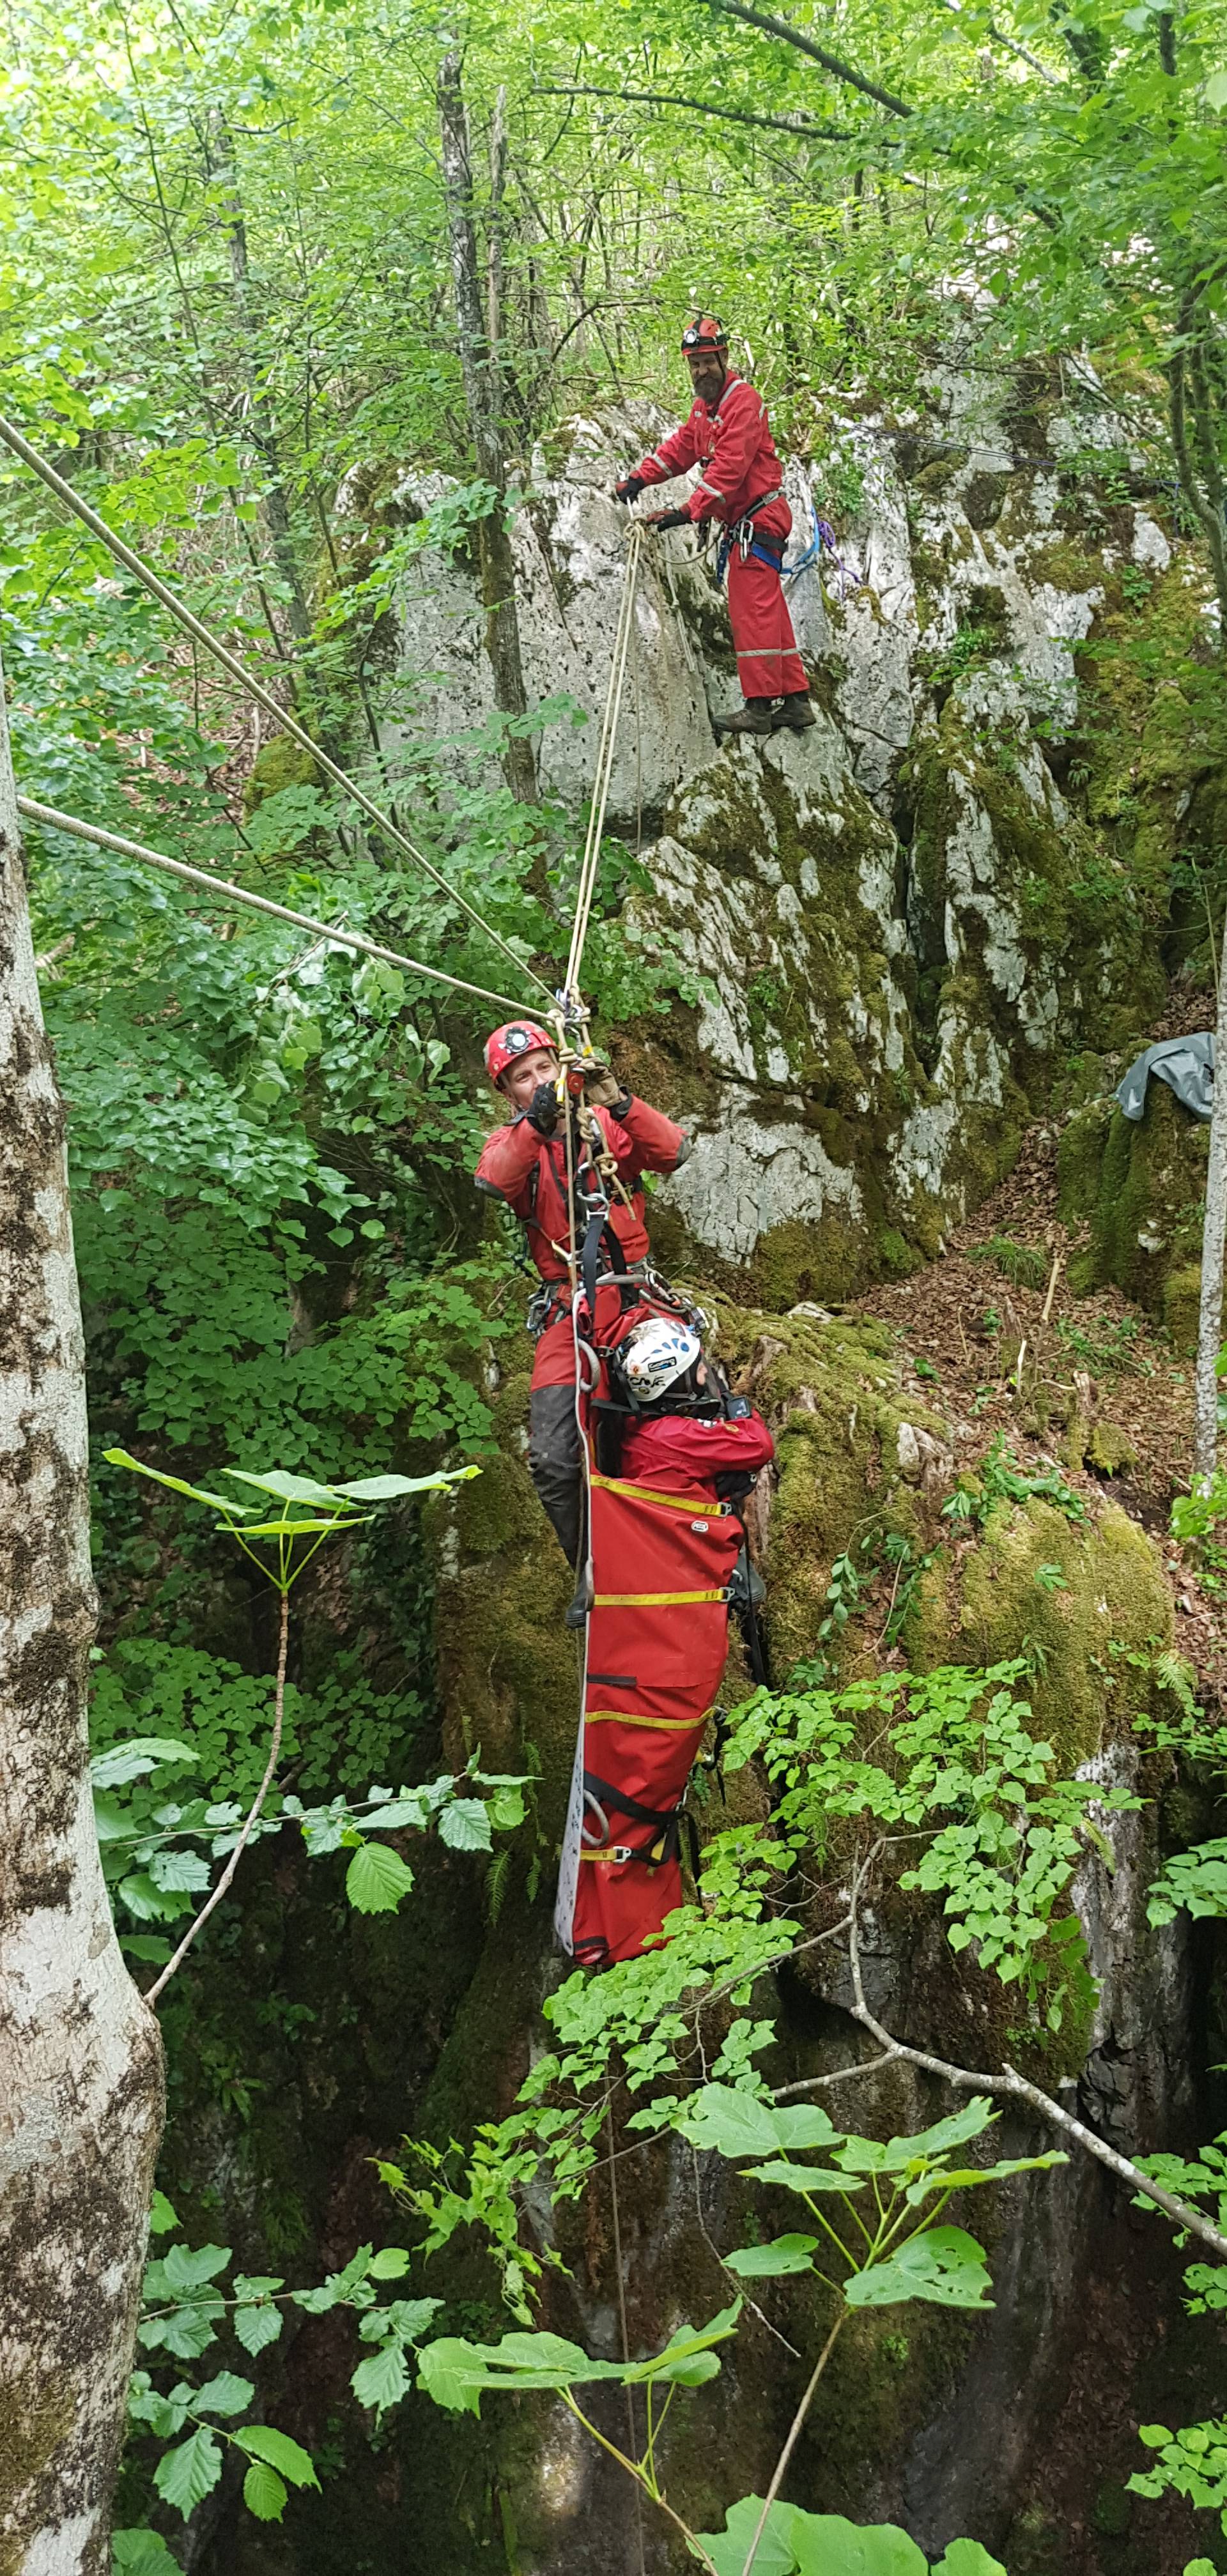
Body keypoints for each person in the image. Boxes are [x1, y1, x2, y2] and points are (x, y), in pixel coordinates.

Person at [556, 1313, 775, 1967]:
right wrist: (731, 1405)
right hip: (677, 1626)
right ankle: (626, 1926)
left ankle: (628, 1912)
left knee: (638, 1780)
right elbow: (754, 1442)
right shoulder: (680, 1436)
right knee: (649, 1775)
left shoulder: (637, 1434)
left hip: (658, 1619)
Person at [474, 1021, 691, 1577]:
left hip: (636, 1298)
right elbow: (497, 1180)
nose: (538, 1080)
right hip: (569, 1311)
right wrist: (539, 1122)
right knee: (551, 1457)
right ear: (508, 1093)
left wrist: (617, 1100)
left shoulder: (605, 1129)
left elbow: (673, 1152)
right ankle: (593, 1569)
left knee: (690, 1418)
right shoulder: (512, 1145)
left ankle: (713, 1550)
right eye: (523, 1077)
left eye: (546, 1067)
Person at [612, 314, 815, 740]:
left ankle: (759, 708)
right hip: (752, 519)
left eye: (707, 361)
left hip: (756, 518)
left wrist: (685, 513)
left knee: (751, 611)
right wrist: (640, 478)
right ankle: (795, 701)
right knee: (770, 609)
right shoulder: (705, 409)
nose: (701, 371)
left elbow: (728, 472)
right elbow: (682, 448)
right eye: (694, 364)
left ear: (723, 357)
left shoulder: (743, 403)